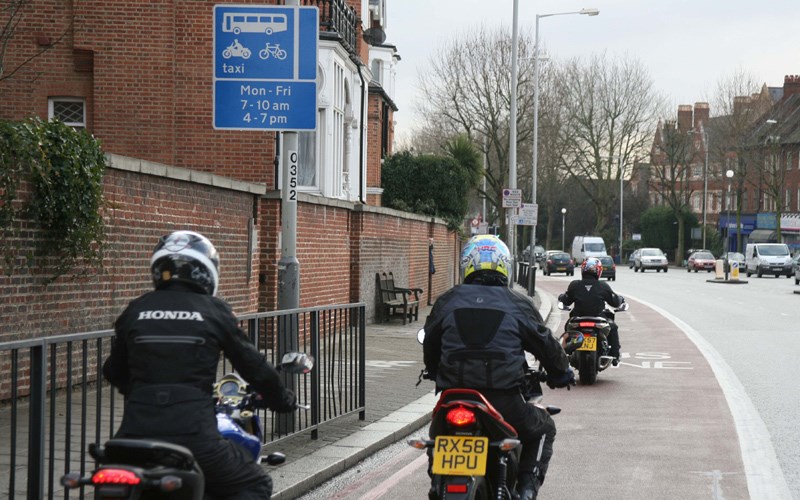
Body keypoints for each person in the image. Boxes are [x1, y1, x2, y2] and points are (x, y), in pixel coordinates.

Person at [102, 230, 297, 499]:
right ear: (206, 271)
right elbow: (256, 368)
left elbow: (113, 371)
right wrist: (283, 400)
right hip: (193, 437)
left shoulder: (136, 309)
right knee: (255, 484)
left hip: (132, 435)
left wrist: (142, 391)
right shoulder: (213, 311)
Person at [422, 234, 574, 500]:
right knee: (544, 427)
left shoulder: (447, 301)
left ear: (466, 267)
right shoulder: (517, 303)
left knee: (436, 438)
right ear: (506, 267)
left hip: (452, 398)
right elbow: (545, 344)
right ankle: (526, 491)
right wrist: (561, 373)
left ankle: (439, 482)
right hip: (502, 400)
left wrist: (434, 370)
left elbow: (430, 345)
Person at [558, 256, 625, 365]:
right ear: (599, 271)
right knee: (613, 327)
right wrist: (621, 299)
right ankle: (615, 356)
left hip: (578, 320)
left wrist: (562, 297)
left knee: (567, 327)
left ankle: (566, 352)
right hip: (598, 320)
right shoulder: (603, 286)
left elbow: (566, 301)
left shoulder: (575, 285)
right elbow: (615, 302)